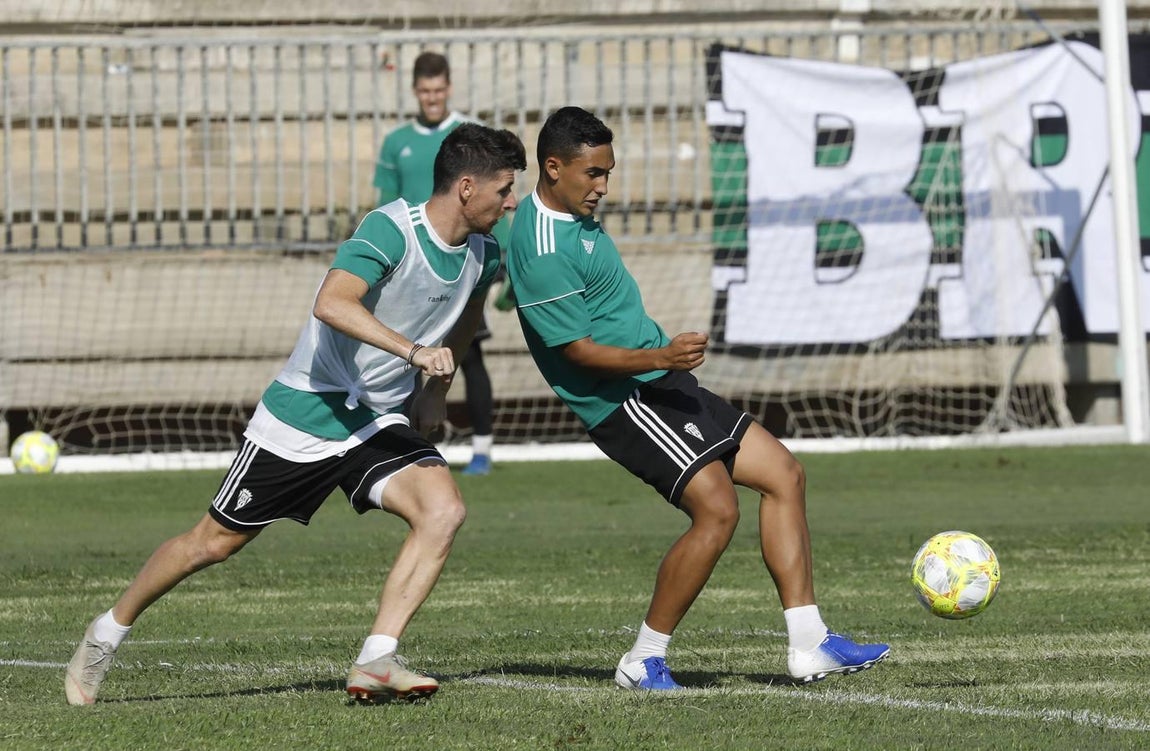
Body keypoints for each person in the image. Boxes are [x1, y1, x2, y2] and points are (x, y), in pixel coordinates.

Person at [64, 123, 527, 706]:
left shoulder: (483, 252)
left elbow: (463, 320)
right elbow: (331, 302)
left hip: (376, 420)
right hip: (306, 409)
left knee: (443, 511)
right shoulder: (392, 230)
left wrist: (436, 390)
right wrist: (412, 354)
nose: (511, 201)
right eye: (505, 188)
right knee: (212, 544)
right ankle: (105, 634)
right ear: (466, 187)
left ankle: (376, 660)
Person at [505, 106, 889, 691]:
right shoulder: (540, 247)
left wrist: (663, 361)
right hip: (623, 400)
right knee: (717, 512)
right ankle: (643, 659)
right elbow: (577, 352)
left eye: (609, 171)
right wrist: (660, 358)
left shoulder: (570, 213)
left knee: (784, 473)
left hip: (660, 382)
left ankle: (811, 643)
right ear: (554, 168)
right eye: (593, 174)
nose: (604, 186)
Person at [375, 50, 501, 476]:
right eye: (425, 90)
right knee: (410, 354)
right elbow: (383, 204)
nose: (432, 97)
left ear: (448, 88)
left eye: (439, 89)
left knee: (470, 353)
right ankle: (403, 442)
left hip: (462, 259)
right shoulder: (397, 142)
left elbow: (489, 195)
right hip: (411, 265)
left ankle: (483, 448)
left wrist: (496, 262)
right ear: (415, 91)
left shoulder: (467, 135)